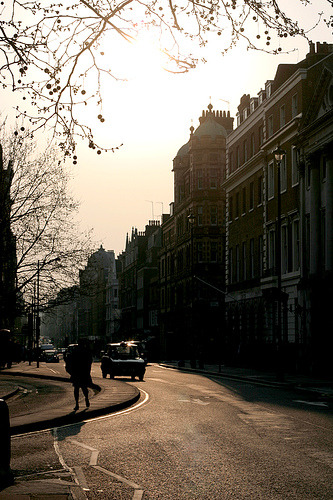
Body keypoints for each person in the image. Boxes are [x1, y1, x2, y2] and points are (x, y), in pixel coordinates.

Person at [65, 339, 93, 411]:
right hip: (83, 372)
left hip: (77, 372)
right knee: (84, 388)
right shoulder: (86, 351)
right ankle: (86, 399)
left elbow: (70, 361)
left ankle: (77, 404)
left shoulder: (75, 351)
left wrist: (70, 371)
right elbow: (89, 361)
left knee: (77, 388)